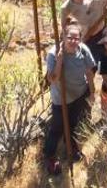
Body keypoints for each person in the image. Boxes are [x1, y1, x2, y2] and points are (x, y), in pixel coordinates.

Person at [43, 24, 95, 175]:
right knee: (57, 127)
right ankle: (49, 155)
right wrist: (59, 61)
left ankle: (71, 149)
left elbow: (90, 72)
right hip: (61, 97)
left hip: (79, 94)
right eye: (70, 37)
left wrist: (92, 92)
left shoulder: (83, 50)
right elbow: (53, 79)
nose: (73, 41)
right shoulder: (54, 54)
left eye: (76, 38)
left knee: (72, 123)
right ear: (63, 37)